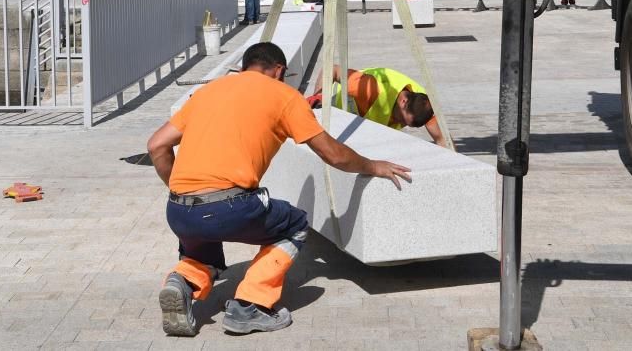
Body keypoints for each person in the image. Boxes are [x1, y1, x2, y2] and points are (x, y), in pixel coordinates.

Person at [147, 42, 411, 337]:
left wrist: (182, 193)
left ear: (245, 67)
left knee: (202, 242)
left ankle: (180, 282)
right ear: (279, 71)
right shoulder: (284, 95)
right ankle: (250, 306)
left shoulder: (207, 92)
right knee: (295, 225)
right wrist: (373, 166)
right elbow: (332, 154)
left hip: (180, 211)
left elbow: (157, 145)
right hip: (231, 208)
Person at [308, 67, 447, 148]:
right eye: (404, 120)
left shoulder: (424, 105)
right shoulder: (370, 89)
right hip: (341, 110)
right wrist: (319, 100)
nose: (401, 124)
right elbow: (332, 69)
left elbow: (443, 141)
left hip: (368, 123)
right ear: (404, 101)